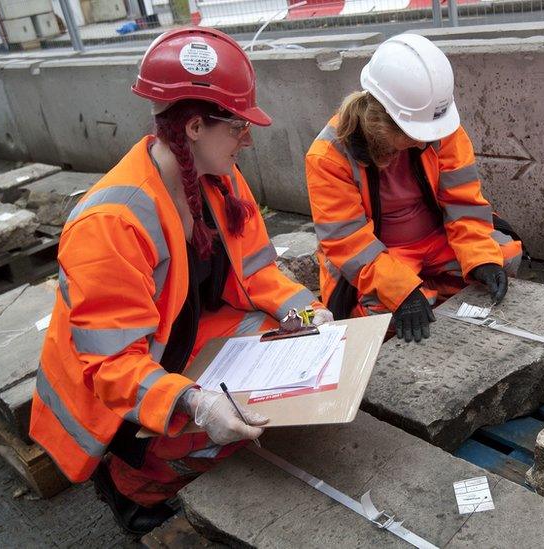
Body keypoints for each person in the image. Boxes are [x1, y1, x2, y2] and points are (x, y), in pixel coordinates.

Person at [29, 27, 330, 535]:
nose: (248, 138)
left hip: (180, 346)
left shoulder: (220, 177)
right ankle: (131, 485)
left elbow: (257, 271)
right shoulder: (110, 224)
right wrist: (196, 402)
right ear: (194, 127)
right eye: (237, 125)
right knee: (222, 426)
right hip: (116, 396)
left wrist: (305, 314)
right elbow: (112, 366)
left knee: (278, 383)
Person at [306, 34, 523, 343]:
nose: (424, 142)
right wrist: (401, 291)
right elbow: (347, 244)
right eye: (413, 134)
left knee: (502, 258)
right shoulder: (328, 156)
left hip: (438, 238)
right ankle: (422, 288)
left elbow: (464, 205)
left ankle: (430, 287)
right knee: (380, 312)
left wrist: (480, 259)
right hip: (382, 253)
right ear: (380, 122)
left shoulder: (440, 128)